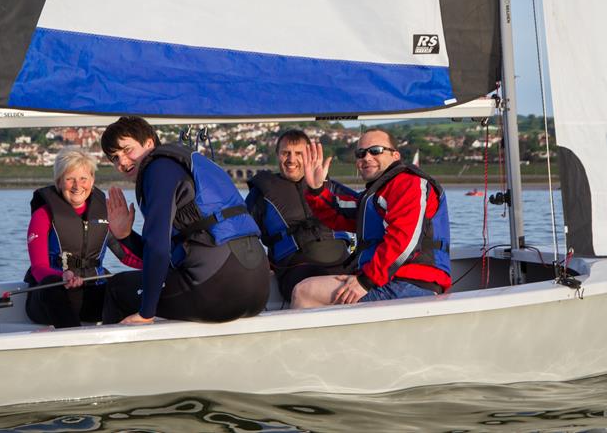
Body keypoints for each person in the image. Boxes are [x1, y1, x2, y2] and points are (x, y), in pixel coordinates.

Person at [100, 116, 270, 324]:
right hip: (259, 290)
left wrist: (146, 313)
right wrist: (125, 236)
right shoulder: (191, 164)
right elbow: (167, 258)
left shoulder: (157, 169)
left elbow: (159, 249)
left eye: (127, 150)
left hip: (219, 291)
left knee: (118, 288)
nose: (122, 162)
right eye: (114, 158)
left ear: (149, 143)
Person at [291, 129, 451, 308]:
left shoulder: (409, 183)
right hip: (385, 280)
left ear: (395, 155)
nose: (366, 157)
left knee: (304, 292)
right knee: (311, 285)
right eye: (361, 153)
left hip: (411, 284)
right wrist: (316, 190)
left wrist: (365, 282)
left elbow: (404, 242)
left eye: (375, 150)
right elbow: (340, 214)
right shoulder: (378, 194)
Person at [24, 147, 143, 328]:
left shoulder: (103, 211)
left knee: (124, 282)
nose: (77, 186)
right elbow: (39, 268)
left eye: (83, 179)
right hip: (51, 298)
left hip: (91, 294)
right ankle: (72, 342)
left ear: (92, 180)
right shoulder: (43, 214)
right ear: (59, 182)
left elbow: (127, 256)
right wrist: (64, 276)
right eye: (70, 179)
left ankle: (114, 339)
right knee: (52, 284)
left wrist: (164, 263)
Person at [245, 129, 352, 302]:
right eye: (285, 153)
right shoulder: (261, 193)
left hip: (342, 262)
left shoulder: (326, 184)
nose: (291, 160)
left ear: (309, 156)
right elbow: (241, 233)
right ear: (277, 155)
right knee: (316, 290)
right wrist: (258, 263)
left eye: (298, 154)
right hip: (297, 268)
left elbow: (367, 207)